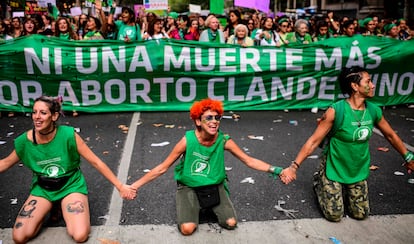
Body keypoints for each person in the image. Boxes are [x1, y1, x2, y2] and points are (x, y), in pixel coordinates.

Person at [130, 98, 283, 235]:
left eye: (217, 117)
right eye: (208, 117)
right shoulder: (187, 141)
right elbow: (163, 167)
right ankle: (194, 204)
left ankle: (208, 206)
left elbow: (249, 160)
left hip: (215, 185)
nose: (214, 121)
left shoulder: (223, 140)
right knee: (187, 229)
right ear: (198, 121)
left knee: (231, 223)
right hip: (189, 185)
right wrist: (134, 186)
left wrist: (277, 170)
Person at [280, 66, 414, 222]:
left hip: (357, 170)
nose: (373, 85)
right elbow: (313, 141)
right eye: (368, 81)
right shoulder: (336, 110)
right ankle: (320, 183)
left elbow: (390, 135)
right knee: (334, 215)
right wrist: (293, 167)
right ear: (355, 86)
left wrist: (408, 157)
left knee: (360, 214)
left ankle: (343, 188)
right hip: (334, 167)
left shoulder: (374, 110)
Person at [0, 95, 136, 243]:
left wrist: (120, 186)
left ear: (54, 116)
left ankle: (60, 205)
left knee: (80, 235)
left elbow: (96, 162)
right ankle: (52, 206)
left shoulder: (68, 135)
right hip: (43, 188)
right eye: (34, 112)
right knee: (19, 237)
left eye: (43, 113)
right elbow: (5, 163)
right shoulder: (24, 142)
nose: (37, 117)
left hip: (70, 185)